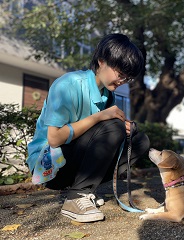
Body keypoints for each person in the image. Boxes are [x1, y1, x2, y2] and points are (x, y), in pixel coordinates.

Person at [26, 33, 150, 223]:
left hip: (72, 159)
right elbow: (54, 139)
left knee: (140, 140)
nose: (122, 81)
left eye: (128, 78)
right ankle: (76, 197)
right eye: (120, 74)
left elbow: (101, 133)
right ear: (101, 61)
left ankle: (82, 190)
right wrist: (101, 117)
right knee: (114, 127)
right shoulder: (68, 85)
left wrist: (125, 128)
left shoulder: (107, 94)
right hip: (48, 164)